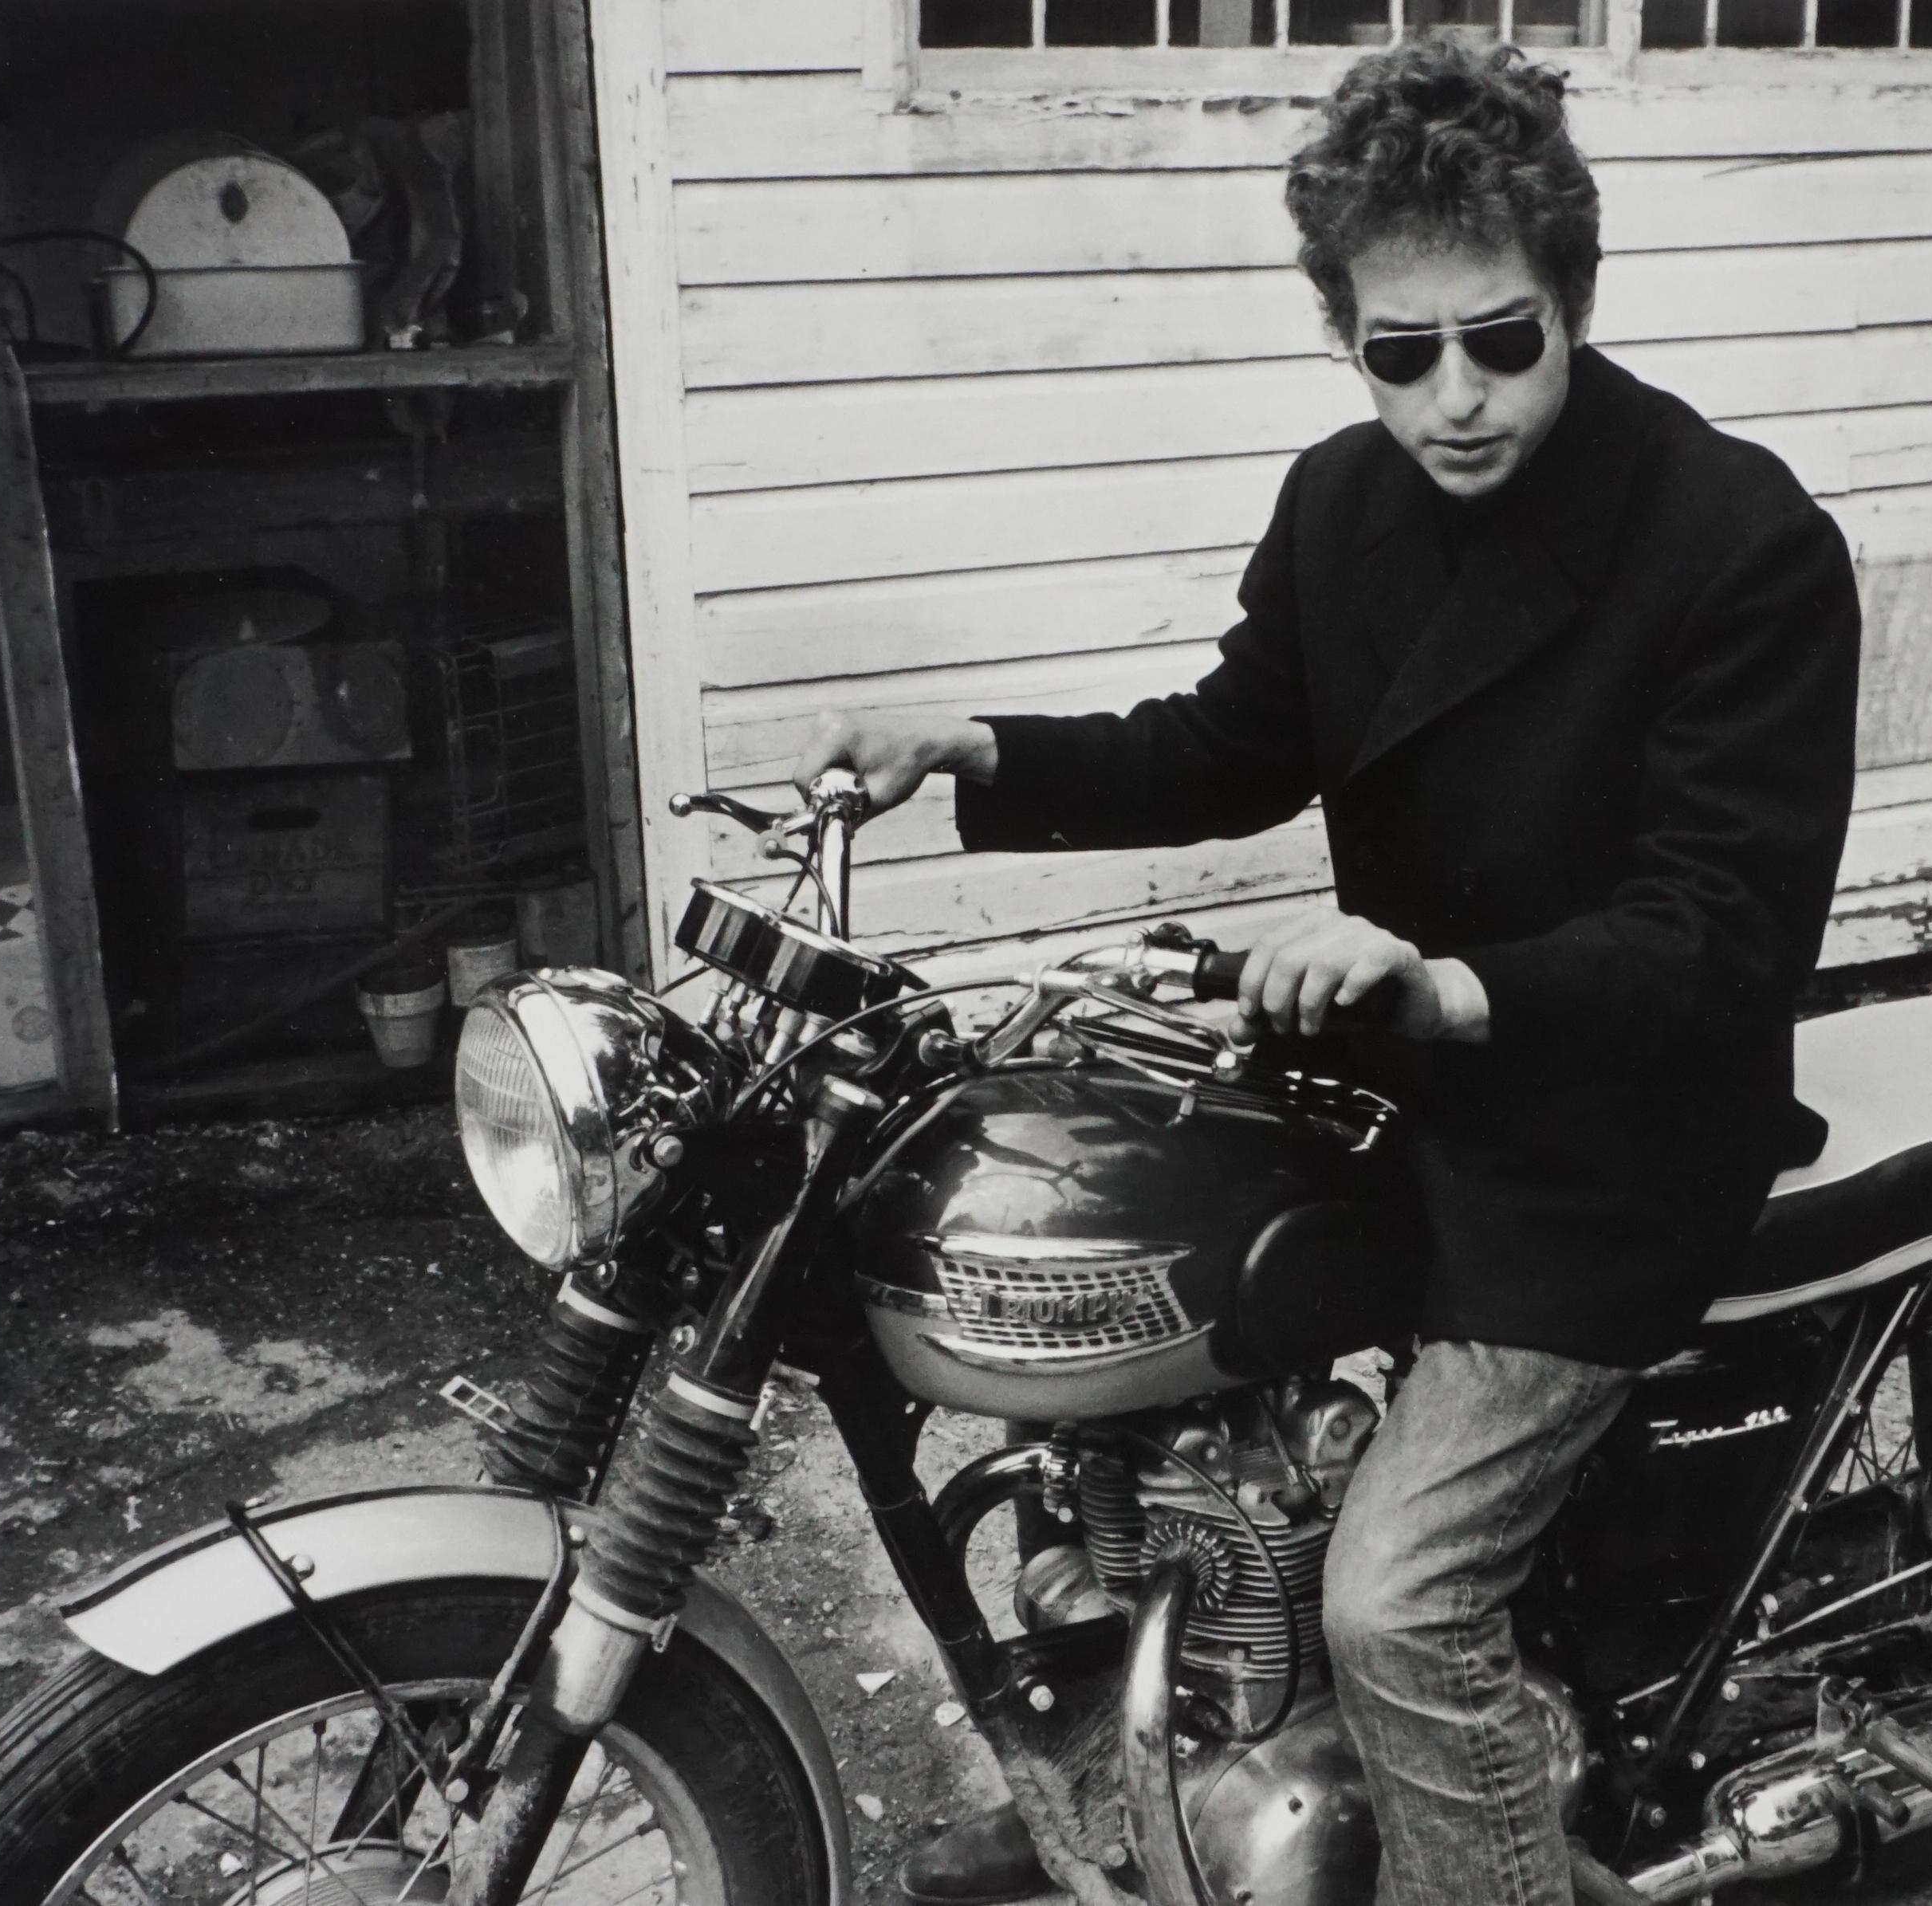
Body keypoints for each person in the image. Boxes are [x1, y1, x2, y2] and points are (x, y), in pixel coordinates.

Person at [795, 37, 1861, 1906]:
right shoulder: (1340, 503)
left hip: (1613, 1137)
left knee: (1393, 1598)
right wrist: (971, 741)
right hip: (1396, 1082)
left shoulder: (1736, 538)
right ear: (1343, 336)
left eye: (1502, 340)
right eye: (1400, 352)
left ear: (1576, 301)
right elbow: (1221, 745)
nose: (1455, 397)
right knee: (1151, 1392)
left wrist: (1446, 982)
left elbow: (1721, 926)